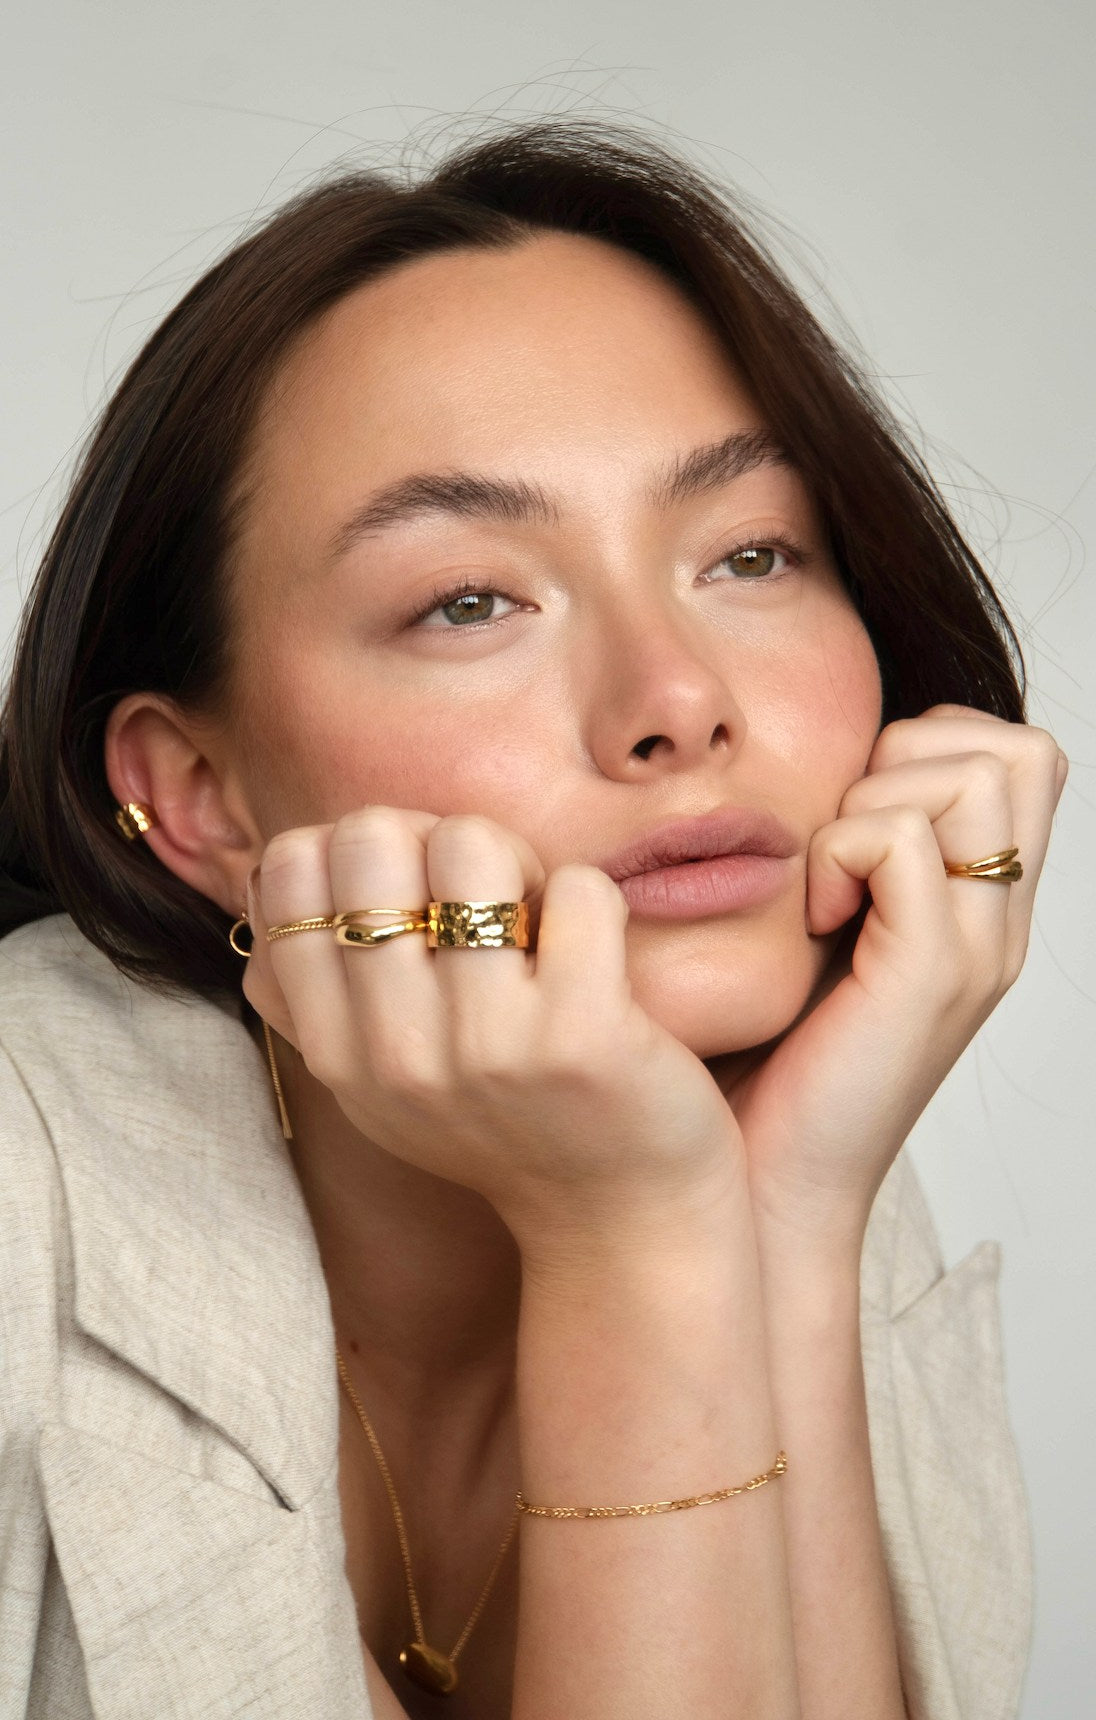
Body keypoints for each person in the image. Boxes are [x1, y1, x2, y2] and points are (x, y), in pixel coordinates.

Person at [0, 117, 1064, 1720]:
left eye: (753, 554)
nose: (678, 702)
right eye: (471, 600)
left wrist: (778, 1229)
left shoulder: (794, 1141)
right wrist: (632, 1240)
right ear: (202, 795)